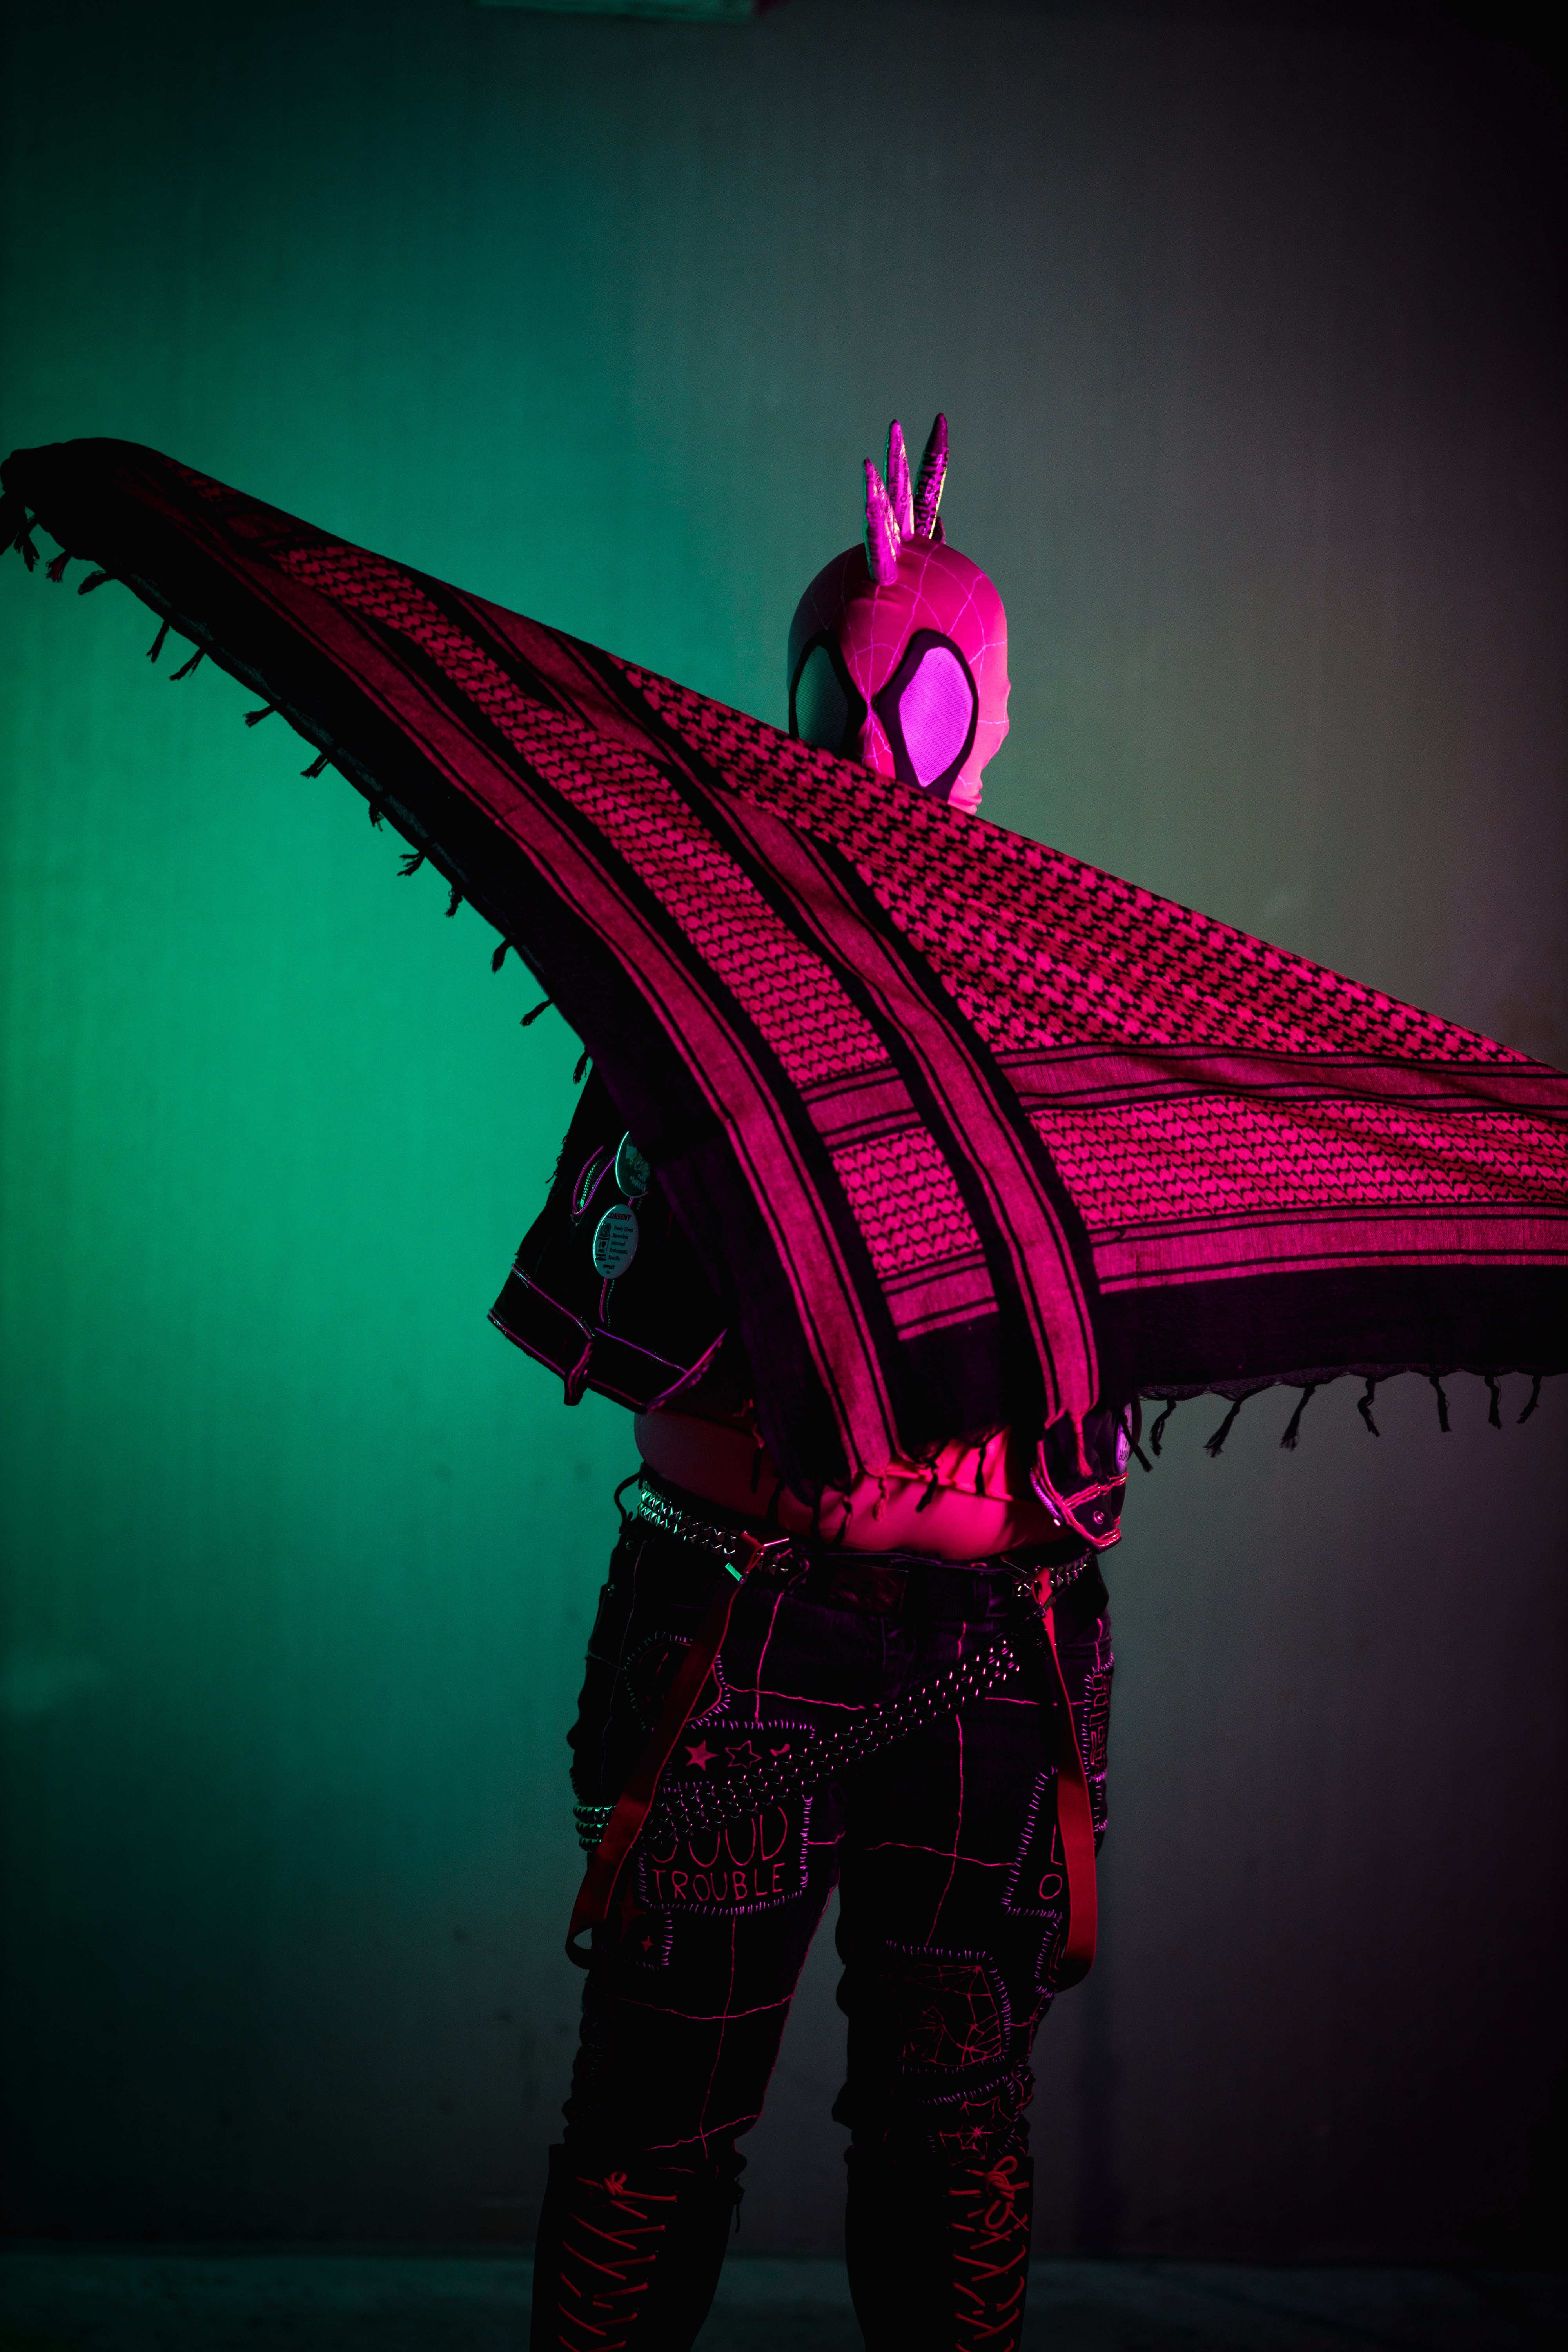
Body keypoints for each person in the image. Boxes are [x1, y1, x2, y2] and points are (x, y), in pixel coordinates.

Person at [491, 419, 1132, 2352]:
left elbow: (1111, 1329)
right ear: (784, 699)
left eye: (919, 697)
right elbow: (637, 1328)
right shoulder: (697, 984)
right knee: (653, 2110)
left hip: (993, 1644)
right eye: (840, 696)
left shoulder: (1070, 994)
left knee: (957, 2130)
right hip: (740, 1626)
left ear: (992, 715)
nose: (873, 742)